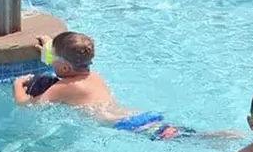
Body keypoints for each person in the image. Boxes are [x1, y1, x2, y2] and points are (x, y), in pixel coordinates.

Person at [14, 32, 199, 140]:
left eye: (51, 59)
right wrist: (49, 49)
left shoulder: (63, 87)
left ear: (64, 67)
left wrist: (18, 84)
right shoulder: (94, 76)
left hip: (125, 126)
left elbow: (26, 105)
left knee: (178, 140)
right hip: (137, 116)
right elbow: (65, 63)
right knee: (189, 137)